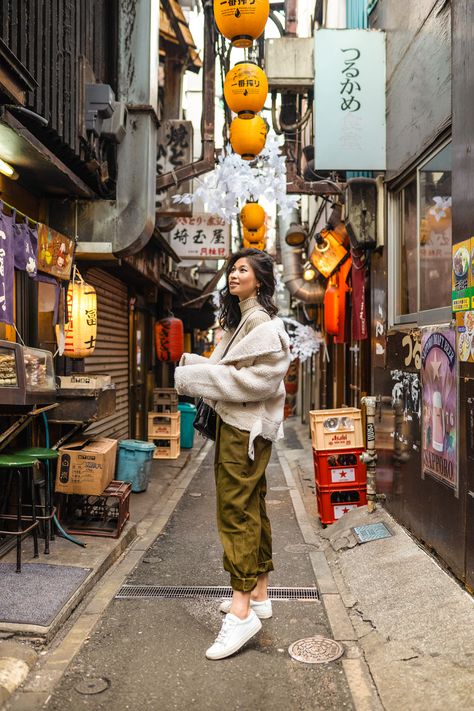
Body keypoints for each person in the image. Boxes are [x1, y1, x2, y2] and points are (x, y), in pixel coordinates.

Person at [174, 248, 291, 660]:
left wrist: (193, 375)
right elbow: (231, 372)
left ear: (260, 279)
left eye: (243, 269)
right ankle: (258, 593)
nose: (233, 274)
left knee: (235, 511)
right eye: (232, 268)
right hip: (242, 428)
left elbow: (256, 382)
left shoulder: (263, 325)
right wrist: (200, 369)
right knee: (252, 505)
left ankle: (241, 614)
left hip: (244, 431)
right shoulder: (243, 320)